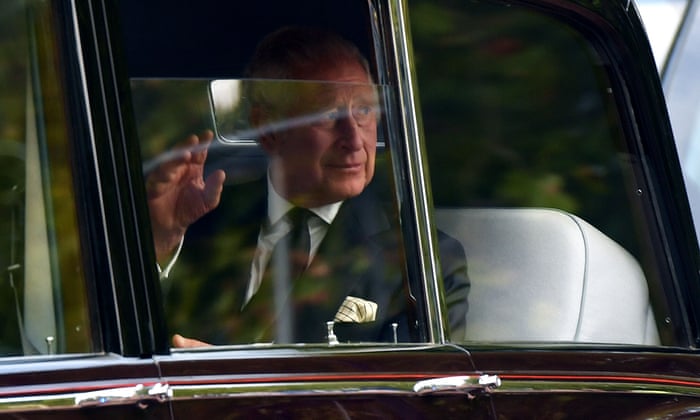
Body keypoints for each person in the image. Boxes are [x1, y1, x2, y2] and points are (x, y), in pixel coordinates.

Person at [146, 26, 469, 346]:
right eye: (328, 113)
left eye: (365, 110)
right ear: (268, 128)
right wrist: (162, 240)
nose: (355, 140)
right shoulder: (202, 217)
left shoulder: (421, 259)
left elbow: (403, 392)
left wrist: (230, 384)